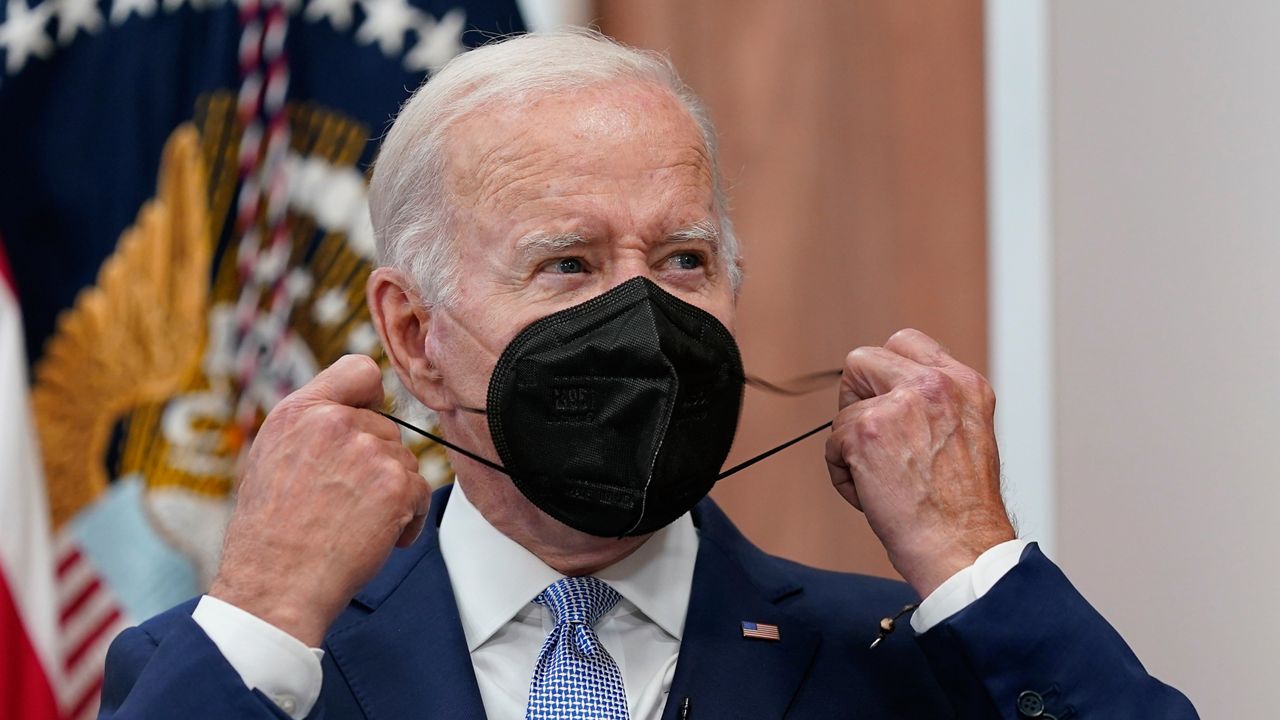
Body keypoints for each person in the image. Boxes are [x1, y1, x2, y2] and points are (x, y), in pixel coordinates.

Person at [99, 30, 1197, 719]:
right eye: (566, 263)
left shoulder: (913, 665)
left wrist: (971, 560)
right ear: (413, 332)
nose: (643, 318)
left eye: (683, 260)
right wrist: (265, 614)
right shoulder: (241, 660)